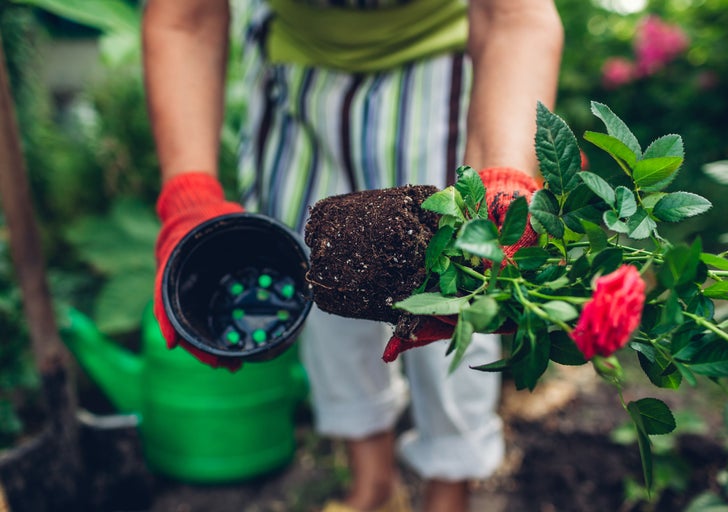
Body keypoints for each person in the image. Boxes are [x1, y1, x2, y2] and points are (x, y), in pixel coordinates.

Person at [142, 0, 563, 510]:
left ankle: (449, 487)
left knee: (456, 293)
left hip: (438, 76)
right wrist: (188, 192)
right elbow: (185, 16)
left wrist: (503, 178)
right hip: (303, 83)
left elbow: (512, 16)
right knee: (320, 285)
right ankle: (372, 485)